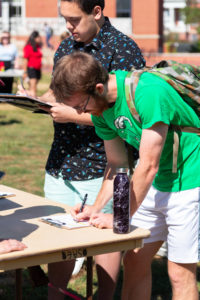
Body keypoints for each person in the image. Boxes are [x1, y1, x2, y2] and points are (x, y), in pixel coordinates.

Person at [50, 51, 200, 300]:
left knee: (179, 274)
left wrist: (120, 216)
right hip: (156, 182)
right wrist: (96, 208)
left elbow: (148, 165)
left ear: (98, 87)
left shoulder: (148, 92)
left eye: (80, 106)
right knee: (134, 259)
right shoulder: (101, 107)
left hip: (190, 181)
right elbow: (117, 164)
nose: (79, 113)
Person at [38, 0, 145, 299]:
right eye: (65, 20)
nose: (68, 27)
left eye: (74, 20)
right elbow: (56, 91)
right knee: (58, 239)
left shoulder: (123, 49)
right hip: (63, 160)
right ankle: (56, 294)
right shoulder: (65, 47)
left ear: (96, 12)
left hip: (103, 163)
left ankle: (104, 295)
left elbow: (120, 112)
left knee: (106, 240)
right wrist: (35, 100)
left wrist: (72, 115)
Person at [23, 31, 42, 97]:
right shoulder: (28, 47)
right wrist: (25, 72)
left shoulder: (38, 47)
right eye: (39, 37)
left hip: (38, 69)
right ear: (34, 38)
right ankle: (34, 101)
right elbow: (25, 60)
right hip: (31, 69)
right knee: (33, 88)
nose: (40, 39)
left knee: (32, 87)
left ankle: (29, 98)